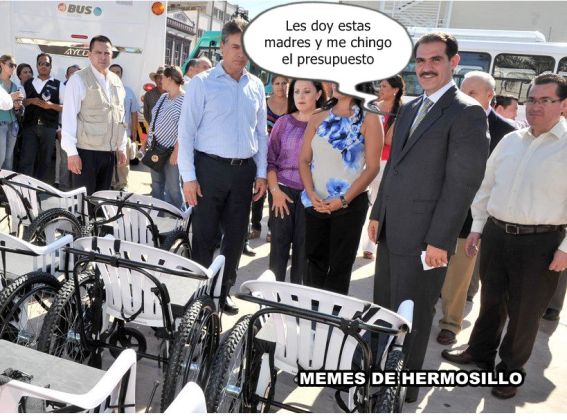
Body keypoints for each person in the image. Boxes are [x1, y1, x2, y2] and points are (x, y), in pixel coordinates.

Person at [367, 32, 489, 403]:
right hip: (392, 230)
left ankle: (404, 385)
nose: (426, 67)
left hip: (426, 239)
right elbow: (393, 167)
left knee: (415, 314)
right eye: (421, 60)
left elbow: (462, 184)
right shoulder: (409, 108)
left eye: (435, 59)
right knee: (386, 307)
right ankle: (379, 373)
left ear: (454, 62)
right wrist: (378, 212)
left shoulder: (466, 112)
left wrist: (439, 240)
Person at [442, 73, 567, 400]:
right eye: (532, 99)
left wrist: (565, 249)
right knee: (491, 300)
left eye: (545, 100)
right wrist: (478, 227)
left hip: (541, 242)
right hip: (497, 234)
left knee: (525, 313)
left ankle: (510, 369)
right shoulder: (511, 140)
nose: (535, 106)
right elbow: (486, 186)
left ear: (563, 105)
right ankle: (480, 353)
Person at [178, 18, 268, 316]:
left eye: (246, 48)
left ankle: (223, 290)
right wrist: (188, 178)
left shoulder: (256, 85)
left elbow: (261, 134)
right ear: (222, 47)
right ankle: (201, 294)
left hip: (244, 172)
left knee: (237, 236)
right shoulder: (202, 83)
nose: (241, 54)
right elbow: (186, 132)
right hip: (209, 170)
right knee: (204, 235)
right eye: (235, 47)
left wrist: (261, 173)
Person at [437, 71, 516, 346]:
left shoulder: (507, 133)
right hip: (442, 205)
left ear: (489, 96)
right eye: (463, 90)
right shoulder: (448, 119)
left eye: (472, 93)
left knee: (459, 272)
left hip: (475, 214)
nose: (464, 96)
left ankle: (450, 323)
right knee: (432, 266)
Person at [299, 84, 382, 295]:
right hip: (315, 203)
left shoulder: (370, 117)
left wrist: (344, 199)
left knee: (339, 268)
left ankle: (332, 315)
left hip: (350, 206)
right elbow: (304, 160)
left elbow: (373, 167)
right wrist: (311, 193)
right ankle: (311, 311)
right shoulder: (318, 115)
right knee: (313, 264)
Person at [267, 79, 325, 283]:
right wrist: (275, 192)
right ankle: (273, 296)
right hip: (282, 193)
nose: (300, 96)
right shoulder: (283, 123)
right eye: (296, 91)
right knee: (278, 250)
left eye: (306, 91)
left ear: (318, 94)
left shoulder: (326, 125)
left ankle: (296, 299)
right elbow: (270, 161)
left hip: (312, 196)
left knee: (304, 252)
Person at [61, 35, 128, 196]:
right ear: (89, 55)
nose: (103, 57)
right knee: (84, 203)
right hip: (86, 153)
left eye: (107, 53)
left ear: (112, 55)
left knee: (101, 201)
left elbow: (120, 117)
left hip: (109, 153)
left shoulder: (116, 81)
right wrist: (71, 153)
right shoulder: (78, 80)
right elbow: (69, 118)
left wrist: (121, 147)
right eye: (98, 52)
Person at [361, 75, 404, 260]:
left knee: (377, 203)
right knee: (360, 200)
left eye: (385, 86)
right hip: (364, 159)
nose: (381, 89)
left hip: (385, 162)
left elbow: (389, 140)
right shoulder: (372, 107)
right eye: (380, 86)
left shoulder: (402, 111)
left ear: (395, 90)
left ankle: (370, 245)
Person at [245, 74, 289, 256]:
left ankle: (272, 227)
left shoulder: (293, 104)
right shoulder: (264, 102)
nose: (280, 86)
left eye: (284, 83)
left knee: (275, 191)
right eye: (277, 83)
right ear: (272, 85)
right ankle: (255, 225)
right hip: (262, 152)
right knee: (258, 190)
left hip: (283, 155)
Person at [20, 53, 63, 180]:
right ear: (37, 65)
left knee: (45, 161)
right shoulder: (27, 83)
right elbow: (20, 102)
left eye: (47, 64)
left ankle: (40, 188)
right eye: (41, 63)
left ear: (51, 66)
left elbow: (67, 107)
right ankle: (24, 187)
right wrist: (30, 101)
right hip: (30, 127)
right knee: (26, 160)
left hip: (49, 128)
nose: (44, 66)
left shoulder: (58, 84)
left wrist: (51, 106)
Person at [147, 66, 185, 209]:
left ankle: (179, 217)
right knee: (156, 185)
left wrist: (177, 151)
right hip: (156, 149)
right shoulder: (163, 97)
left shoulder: (185, 99)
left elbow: (186, 129)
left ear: (170, 79)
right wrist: (147, 142)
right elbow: (154, 120)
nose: (160, 81)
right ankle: (158, 217)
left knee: (173, 189)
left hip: (171, 152)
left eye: (162, 78)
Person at [109, 63, 141, 192]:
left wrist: (134, 133)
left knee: (123, 161)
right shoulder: (103, 90)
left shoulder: (129, 92)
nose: (115, 74)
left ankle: (123, 185)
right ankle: (111, 183)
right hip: (107, 134)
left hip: (124, 133)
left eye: (118, 72)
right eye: (113, 72)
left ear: (121, 75)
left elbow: (134, 113)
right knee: (109, 161)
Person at [55, 64, 80, 190]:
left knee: (78, 160)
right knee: (65, 160)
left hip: (81, 133)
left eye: (77, 73)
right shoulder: (62, 89)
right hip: (64, 131)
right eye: (72, 73)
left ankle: (76, 188)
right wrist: (58, 130)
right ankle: (63, 187)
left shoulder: (84, 89)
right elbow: (58, 113)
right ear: (66, 75)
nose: (74, 75)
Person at [0, 55, 23, 169]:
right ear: (1, 64)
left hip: (13, 124)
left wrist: (18, 106)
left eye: (15, 65)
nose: (13, 68)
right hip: (1, 124)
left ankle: (5, 181)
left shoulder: (15, 85)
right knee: (1, 157)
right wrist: (10, 98)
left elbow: (20, 111)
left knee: (9, 159)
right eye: (11, 65)